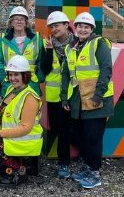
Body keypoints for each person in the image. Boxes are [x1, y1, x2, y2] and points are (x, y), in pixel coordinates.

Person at [61, 12, 113, 190]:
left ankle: (95, 173)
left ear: (92, 29)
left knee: (93, 137)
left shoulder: (99, 44)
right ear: (74, 29)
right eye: (80, 26)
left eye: (86, 27)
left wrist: (98, 95)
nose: (82, 29)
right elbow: (66, 74)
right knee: (82, 135)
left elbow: (106, 69)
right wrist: (64, 97)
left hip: (96, 100)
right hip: (78, 100)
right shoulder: (71, 48)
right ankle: (88, 166)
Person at [0, 55, 43, 187]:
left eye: (16, 75)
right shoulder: (11, 90)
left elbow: (26, 128)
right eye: (10, 74)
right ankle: (11, 166)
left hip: (25, 141)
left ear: (25, 75)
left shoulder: (30, 97)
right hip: (14, 138)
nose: (12, 78)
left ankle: (19, 171)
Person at [41, 11, 74, 179]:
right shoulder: (48, 44)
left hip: (71, 96)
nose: (54, 29)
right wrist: (48, 51)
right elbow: (44, 69)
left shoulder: (77, 44)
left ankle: (64, 163)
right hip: (54, 97)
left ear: (66, 25)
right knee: (56, 128)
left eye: (57, 25)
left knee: (65, 130)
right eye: (52, 27)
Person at [0, 6, 44, 98]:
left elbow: (42, 61)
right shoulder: (3, 39)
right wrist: (3, 78)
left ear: (26, 22)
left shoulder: (36, 39)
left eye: (22, 19)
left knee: (30, 110)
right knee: (9, 111)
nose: (19, 21)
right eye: (16, 19)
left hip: (31, 83)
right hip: (10, 83)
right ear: (11, 22)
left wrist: (39, 78)